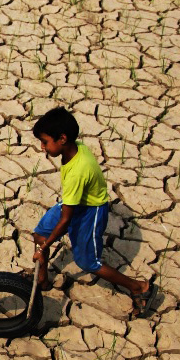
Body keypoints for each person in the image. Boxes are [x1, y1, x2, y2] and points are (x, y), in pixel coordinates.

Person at [30, 106, 158, 318]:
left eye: (45, 141)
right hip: (74, 202)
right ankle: (42, 280)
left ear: (62, 139)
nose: (42, 147)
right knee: (39, 233)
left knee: (88, 262)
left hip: (90, 210)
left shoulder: (77, 172)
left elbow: (65, 221)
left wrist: (44, 247)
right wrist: (43, 243)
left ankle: (139, 287)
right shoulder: (74, 147)